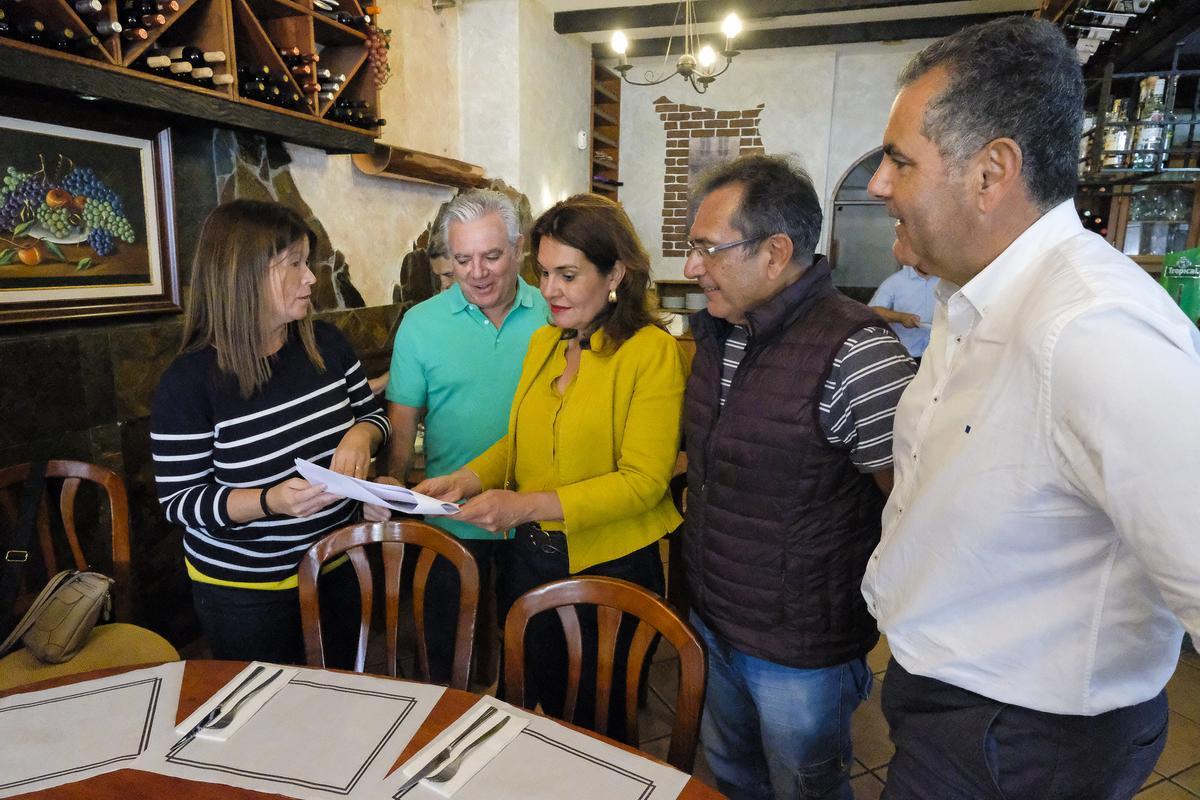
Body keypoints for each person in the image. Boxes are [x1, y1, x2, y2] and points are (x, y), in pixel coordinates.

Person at [861, 17, 1200, 800]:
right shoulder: (968, 296)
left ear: (991, 173)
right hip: (950, 697)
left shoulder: (1094, 331)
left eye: (900, 161)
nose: (879, 184)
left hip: (1024, 737)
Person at [681, 154, 916, 800]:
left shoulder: (857, 351)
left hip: (801, 649)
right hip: (716, 620)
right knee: (729, 777)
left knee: (803, 789)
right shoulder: (718, 334)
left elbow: (914, 507)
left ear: (776, 252)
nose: (691, 267)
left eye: (707, 249)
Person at [416, 193, 686, 738]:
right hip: (531, 562)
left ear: (616, 273)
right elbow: (518, 441)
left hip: (609, 570)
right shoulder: (546, 341)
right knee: (535, 707)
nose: (551, 291)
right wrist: (465, 478)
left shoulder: (650, 352)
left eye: (568, 274)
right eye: (544, 273)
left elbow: (644, 482)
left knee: (599, 726)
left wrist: (523, 506)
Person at [151, 200, 391, 666]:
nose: (312, 278)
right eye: (295, 264)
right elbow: (181, 504)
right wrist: (270, 501)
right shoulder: (188, 383)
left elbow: (373, 415)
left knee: (343, 698)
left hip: (335, 563)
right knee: (266, 718)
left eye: (308, 262)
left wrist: (362, 435)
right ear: (245, 276)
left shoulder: (328, 345)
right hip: (245, 592)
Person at [383, 188, 547, 685]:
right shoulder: (420, 324)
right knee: (447, 661)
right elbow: (401, 427)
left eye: (492, 256)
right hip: (450, 520)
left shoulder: (555, 313)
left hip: (538, 517)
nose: (476, 273)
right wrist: (391, 494)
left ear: (519, 249)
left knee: (535, 655)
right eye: (462, 259)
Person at [868, 261, 936, 360]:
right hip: (904, 353)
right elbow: (873, 311)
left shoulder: (946, 281)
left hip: (936, 355)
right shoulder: (895, 281)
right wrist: (900, 317)